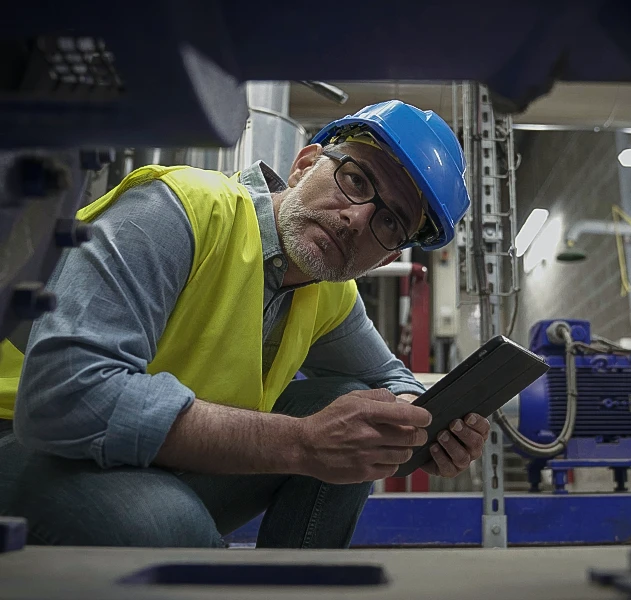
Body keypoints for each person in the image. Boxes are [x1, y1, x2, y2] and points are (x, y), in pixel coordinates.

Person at [0, 100, 488, 549]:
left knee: (359, 408)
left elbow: (390, 381)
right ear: (304, 165)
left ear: (386, 258)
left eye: (389, 223)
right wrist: (300, 443)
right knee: (171, 526)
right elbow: (63, 397)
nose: (357, 220)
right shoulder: (178, 210)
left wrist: (421, 423)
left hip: (143, 461)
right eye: (357, 181)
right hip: (28, 438)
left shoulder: (330, 291)